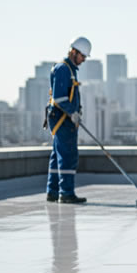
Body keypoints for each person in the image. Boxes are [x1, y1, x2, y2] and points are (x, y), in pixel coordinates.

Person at [45, 37, 90, 204]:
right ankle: (66, 193)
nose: (84, 60)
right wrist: (72, 112)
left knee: (58, 155)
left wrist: (77, 111)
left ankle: (53, 191)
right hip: (62, 118)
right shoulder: (63, 69)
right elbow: (59, 98)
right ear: (74, 52)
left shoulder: (70, 70)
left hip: (63, 117)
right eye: (82, 56)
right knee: (68, 154)